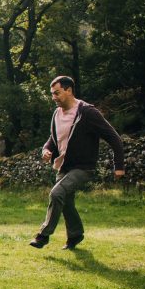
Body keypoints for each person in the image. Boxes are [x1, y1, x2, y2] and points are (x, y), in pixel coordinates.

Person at [30, 76, 124, 250]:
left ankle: (42, 236)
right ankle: (75, 235)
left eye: (57, 93)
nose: (54, 97)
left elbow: (114, 137)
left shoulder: (87, 112)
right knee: (66, 202)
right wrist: (46, 149)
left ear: (69, 90)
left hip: (83, 167)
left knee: (57, 194)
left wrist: (119, 166)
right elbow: (53, 137)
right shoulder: (57, 113)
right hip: (63, 166)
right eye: (52, 94)